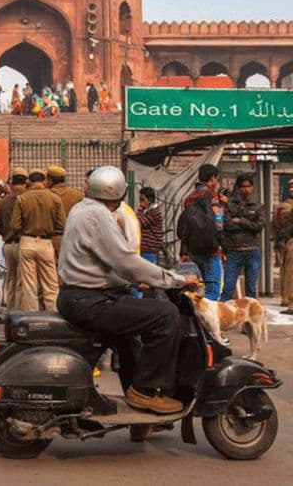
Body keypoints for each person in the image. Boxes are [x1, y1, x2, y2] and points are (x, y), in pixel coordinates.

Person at [57, 166, 198, 415]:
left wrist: (132, 282)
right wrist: (175, 280)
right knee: (166, 315)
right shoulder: (98, 216)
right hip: (92, 301)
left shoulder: (82, 208)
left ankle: (136, 402)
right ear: (120, 195)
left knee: (129, 339)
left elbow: (99, 262)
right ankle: (145, 391)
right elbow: (126, 260)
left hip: (80, 295)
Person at [9, 169, 66, 312]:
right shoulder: (55, 198)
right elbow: (62, 224)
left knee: (29, 284)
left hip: (27, 242)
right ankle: (53, 316)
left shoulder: (22, 198)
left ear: (29, 181)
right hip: (46, 243)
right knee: (51, 284)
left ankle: (31, 318)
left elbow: (14, 225)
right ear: (45, 180)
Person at [181, 163, 226, 301]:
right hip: (212, 251)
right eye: (216, 179)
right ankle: (206, 321)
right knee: (213, 292)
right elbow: (219, 224)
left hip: (194, 251)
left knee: (199, 290)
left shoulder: (189, 198)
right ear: (212, 179)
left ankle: (196, 320)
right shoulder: (213, 197)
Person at [221, 173, 265, 301]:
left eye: (248, 186)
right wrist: (248, 225)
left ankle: (251, 318)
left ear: (252, 187)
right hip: (234, 251)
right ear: (239, 188)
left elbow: (258, 226)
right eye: (243, 186)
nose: (246, 189)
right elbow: (227, 225)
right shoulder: (230, 205)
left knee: (251, 290)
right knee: (228, 288)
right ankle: (224, 318)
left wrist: (240, 221)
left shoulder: (258, 206)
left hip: (252, 251)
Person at [0, 168, 29, 312]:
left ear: (11, 182)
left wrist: (7, 234)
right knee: (22, 281)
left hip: (8, 245)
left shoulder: (3, 202)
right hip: (24, 243)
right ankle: (20, 314)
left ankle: (10, 312)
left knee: (10, 280)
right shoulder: (28, 199)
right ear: (26, 182)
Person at [46, 165, 83, 255]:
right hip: (72, 239)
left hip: (50, 239)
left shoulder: (46, 195)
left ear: (50, 180)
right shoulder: (76, 195)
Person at [275, 179, 293, 312]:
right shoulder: (284, 205)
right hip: (289, 240)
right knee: (288, 271)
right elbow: (278, 224)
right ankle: (288, 299)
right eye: (290, 186)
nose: (291, 189)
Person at [137, 187, 163, 265]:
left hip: (150, 250)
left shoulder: (154, 212)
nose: (140, 202)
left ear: (149, 200)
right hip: (144, 249)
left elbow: (138, 222)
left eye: (142, 199)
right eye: (140, 199)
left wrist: (140, 209)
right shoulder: (147, 211)